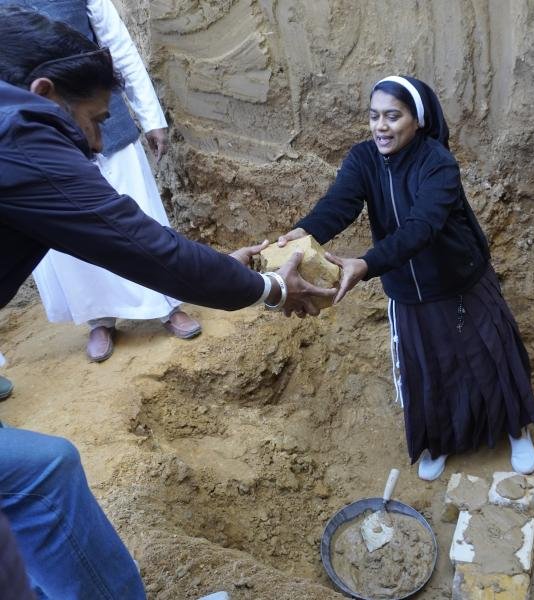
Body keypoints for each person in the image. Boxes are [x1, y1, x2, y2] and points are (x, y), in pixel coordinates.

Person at [0, 7, 335, 598]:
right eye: (94, 120)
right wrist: (273, 289)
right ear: (44, 92)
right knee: (41, 473)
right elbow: (143, 248)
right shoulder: (20, 135)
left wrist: (219, 268)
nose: (97, 142)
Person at [278, 75, 534, 481]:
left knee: (484, 354)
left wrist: (366, 264)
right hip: (408, 293)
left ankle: (514, 427)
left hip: (458, 285)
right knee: (431, 368)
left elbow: (422, 227)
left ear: (417, 120)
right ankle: (441, 439)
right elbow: (339, 204)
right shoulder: (363, 159)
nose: (380, 126)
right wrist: (304, 231)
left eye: (392, 116)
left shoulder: (438, 163)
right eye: (374, 116)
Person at [0, 0, 203, 362]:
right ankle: (100, 318)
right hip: (37, 148)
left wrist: (150, 115)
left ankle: (167, 305)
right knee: (67, 239)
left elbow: (117, 47)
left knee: (137, 216)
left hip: (98, 116)